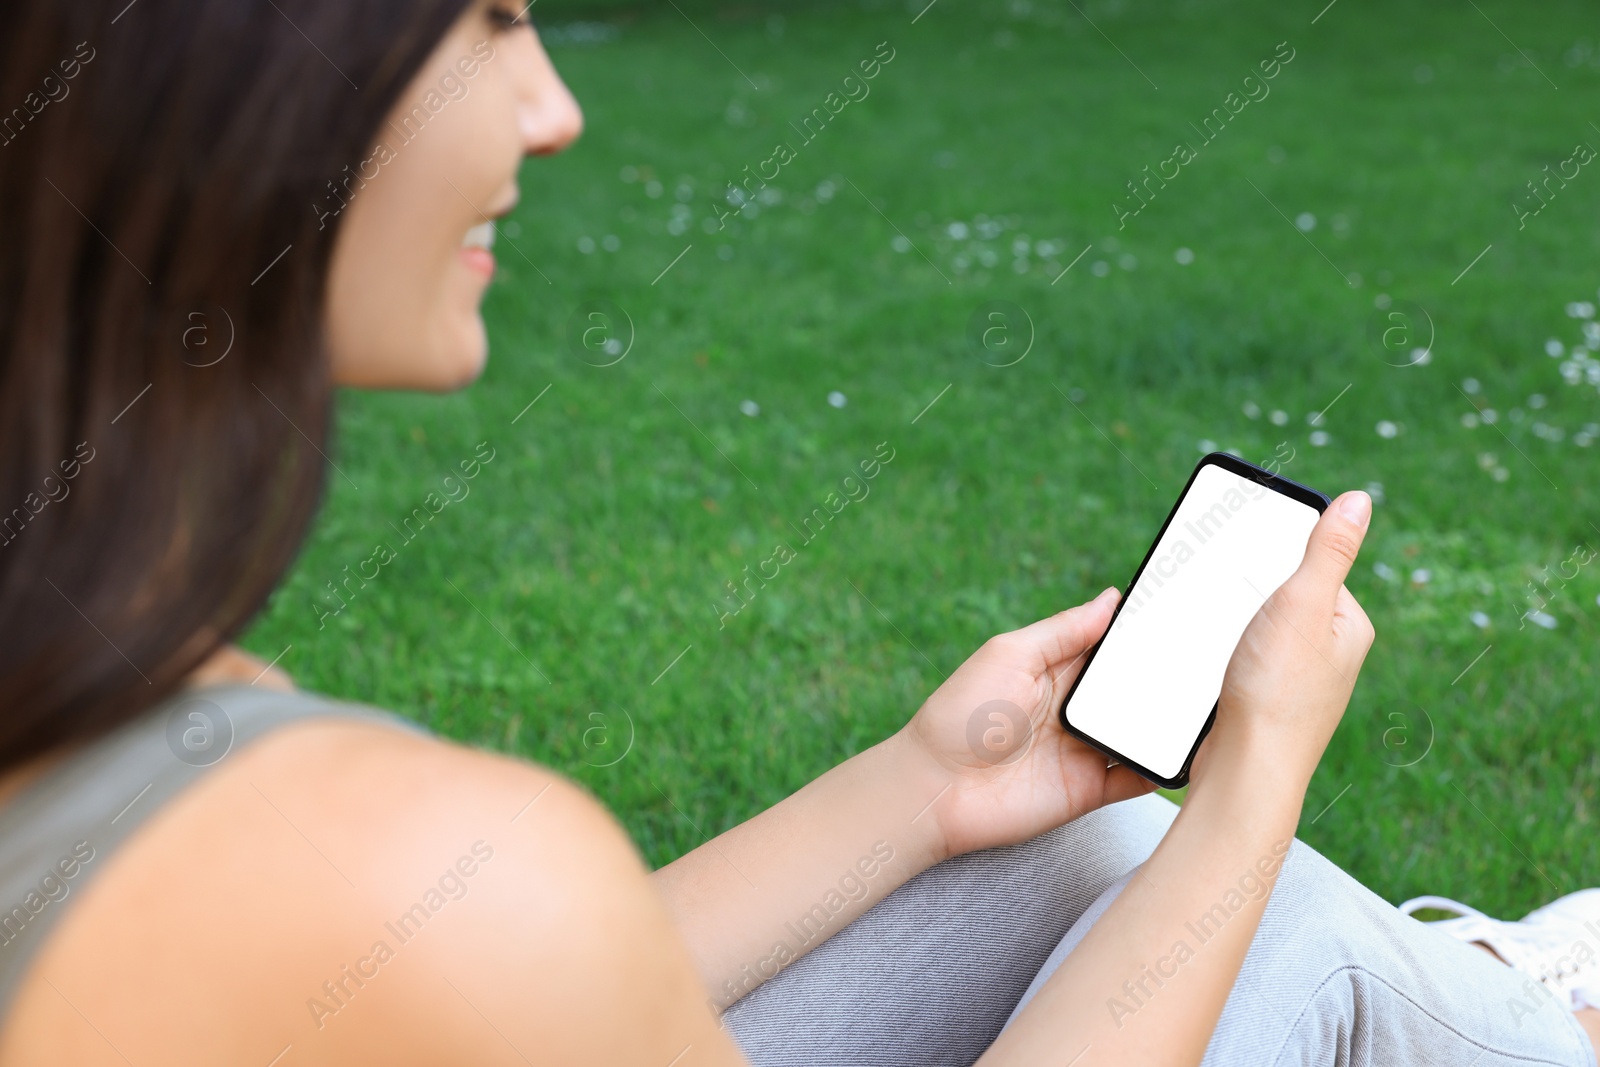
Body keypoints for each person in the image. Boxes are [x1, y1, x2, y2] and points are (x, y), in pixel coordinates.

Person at [0, 1, 1594, 1064]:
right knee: (1274, 922)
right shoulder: (382, 856)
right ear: (223, 83)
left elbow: (519, 999)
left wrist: (922, 791)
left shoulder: (123, 719)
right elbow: (486, 955)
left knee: (1088, 850)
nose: (553, 108)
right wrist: (1255, 785)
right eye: (487, 20)